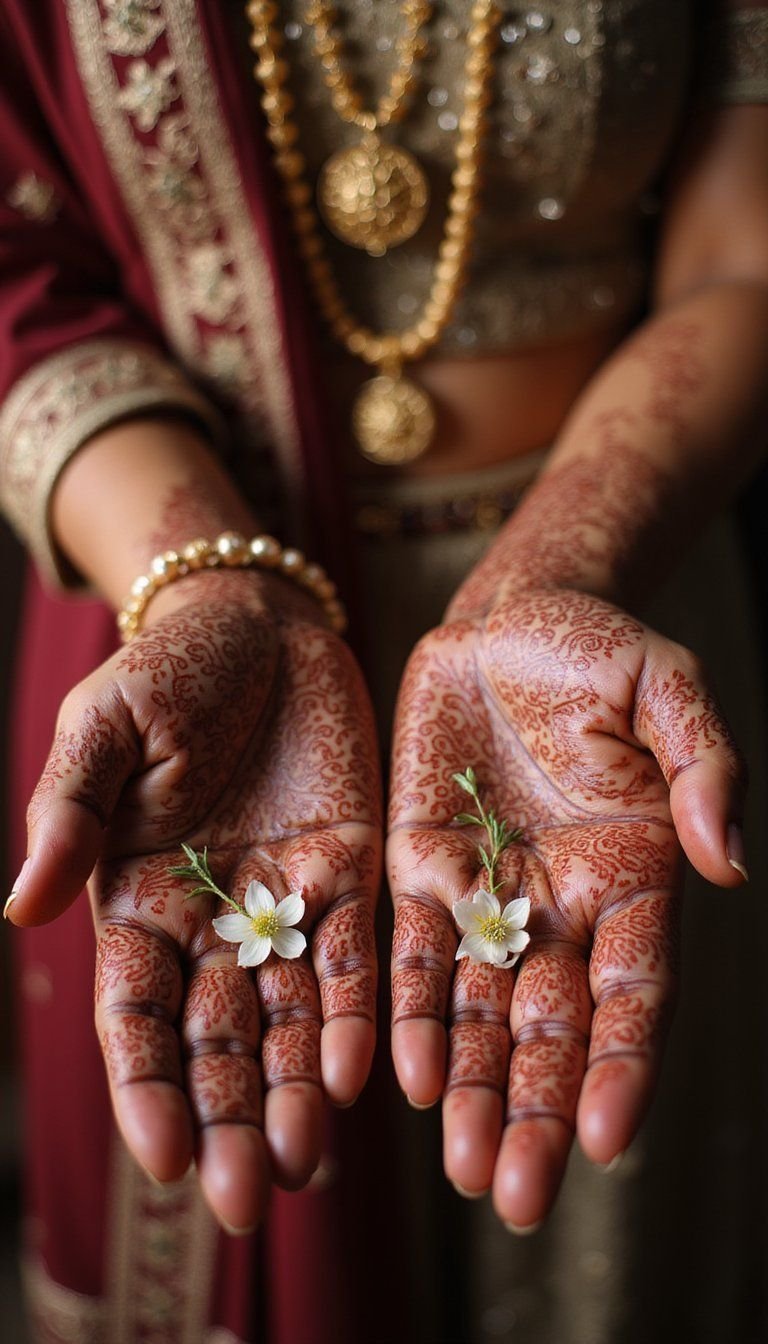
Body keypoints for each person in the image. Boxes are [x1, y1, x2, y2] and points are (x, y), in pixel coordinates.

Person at [1, 1, 766, 1341]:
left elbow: (742, 263)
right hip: (185, 644)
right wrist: (198, 577)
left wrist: (561, 569)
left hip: (592, 663)